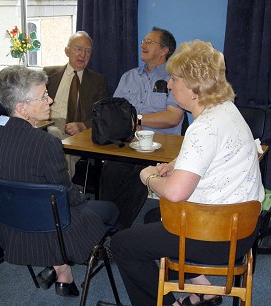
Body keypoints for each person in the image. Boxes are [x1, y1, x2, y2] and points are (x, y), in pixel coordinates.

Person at [97, 40, 265, 306]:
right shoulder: (226, 110)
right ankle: (203, 290)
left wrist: (148, 176)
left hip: (217, 236)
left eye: (174, 79)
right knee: (154, 215)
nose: (170, 85)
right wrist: (178, 164)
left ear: (194, 87)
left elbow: (176, 192)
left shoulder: (204, 127)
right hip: (242, 226)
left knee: (122, 245)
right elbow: (211, 152)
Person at [0, 66, 119, 298]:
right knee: (110, 209)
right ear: (22, 107)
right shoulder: (46, 144)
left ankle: (61, 270)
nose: (50, 99)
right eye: (44, 96)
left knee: (49, 208)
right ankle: (65, 262)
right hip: (49, 235)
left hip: (6, 233)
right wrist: (81, 197)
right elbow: (68, 198)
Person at [99, 27, 184, 230]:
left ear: (164, 50)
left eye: (149, 42)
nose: (143, 45)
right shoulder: (128, 77)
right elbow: (115, 112)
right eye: (143, 41)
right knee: (111, 169)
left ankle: (119, 231)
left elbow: (173, 117)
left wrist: (136, 119)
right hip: (128, 142)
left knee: (139, 172)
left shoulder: (174, 79)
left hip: (162, 146)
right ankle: (101, 224)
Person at [43, 31, 108, 177]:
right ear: (67, 51)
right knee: (55, 137)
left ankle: (63, 193)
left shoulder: (97, 81)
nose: (83, 55)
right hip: (49, 125)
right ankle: (67, 192)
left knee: (66, 149)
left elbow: (103, 114)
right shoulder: (49, 74)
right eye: (78, 49)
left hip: (78, 132)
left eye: (88, 51)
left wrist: (83, 125)